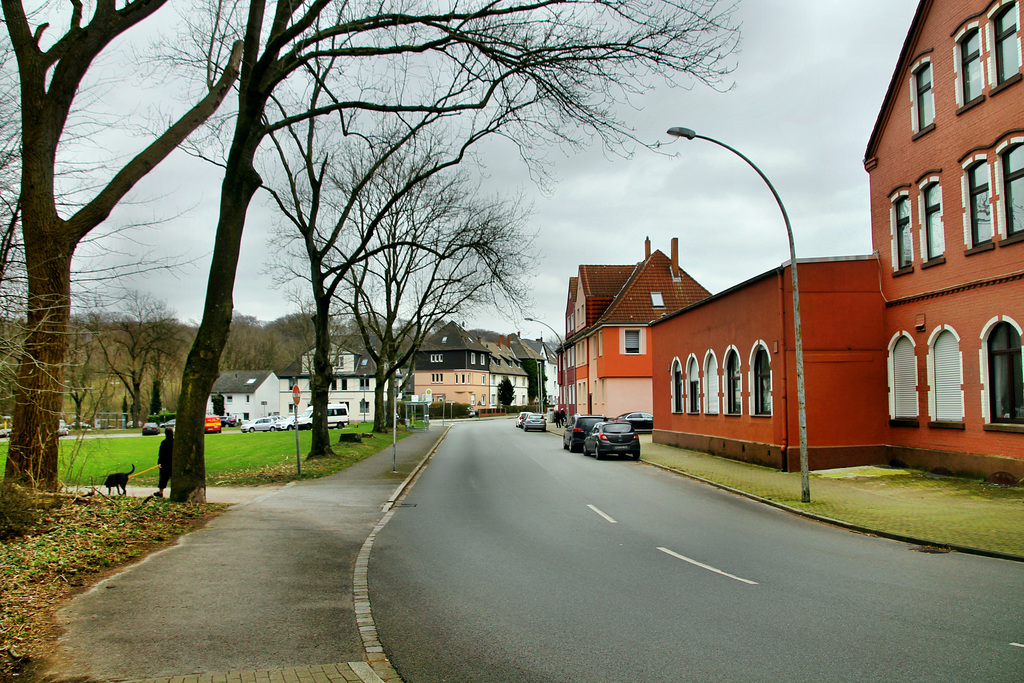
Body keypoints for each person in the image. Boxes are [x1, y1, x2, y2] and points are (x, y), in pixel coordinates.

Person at [156, 427, 173, 497]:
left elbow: (161, 454)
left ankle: (160, 492)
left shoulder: (164, 442)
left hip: (165, 463)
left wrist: (159, 462)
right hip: (173, 463)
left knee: (163, 478)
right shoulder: (175, 442)